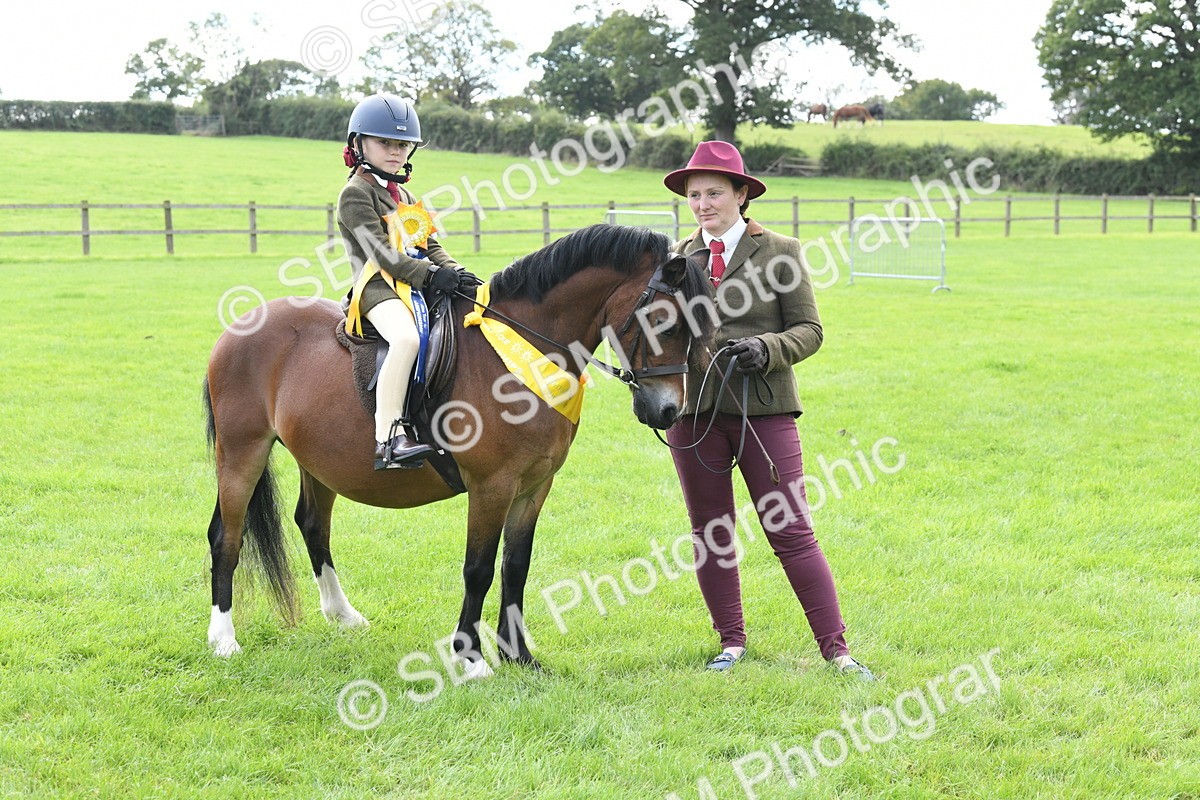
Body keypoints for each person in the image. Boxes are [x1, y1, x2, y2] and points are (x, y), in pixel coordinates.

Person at [662, 141, 873, 680]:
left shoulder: (780, 250)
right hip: (694, 417)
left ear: (741, 194)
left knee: (790, 528)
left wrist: (766, 349)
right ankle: (731, 643)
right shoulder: (677, 256)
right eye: (694, 195)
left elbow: (811, 331)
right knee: (710, 532)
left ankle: (837, 652)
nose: (704, 204)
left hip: (765, 410)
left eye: (714, 193)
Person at [337, 94, 478, 470]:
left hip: (414, 287)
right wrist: (432, 276)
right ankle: (388, 438)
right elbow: (382, 254)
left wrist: (456, 271)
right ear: (358, 144)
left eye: (402, 144)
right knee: (406, 338)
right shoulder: (355, 194)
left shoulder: (407, 195)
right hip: (378, 290)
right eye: (385, 143)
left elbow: (428, 243)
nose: (396, 151)